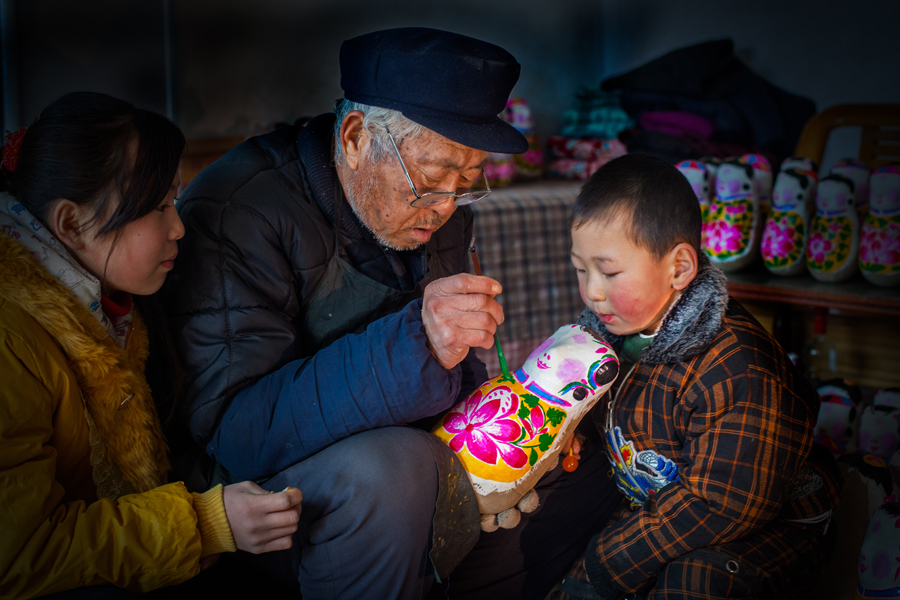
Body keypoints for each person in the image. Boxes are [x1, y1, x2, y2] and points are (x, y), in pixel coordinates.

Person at [161, 27, 620, 599]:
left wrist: (508, 449)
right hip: (262, 499)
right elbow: (235, 434)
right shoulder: (239, 213)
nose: (447, 207)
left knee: (588, 454)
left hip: (406, 462)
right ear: (355, 138)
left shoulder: (442, 209)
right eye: (429, 184)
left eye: (468, 182)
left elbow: (463, 379)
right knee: (395, 469)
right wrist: (418, 342)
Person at [0, 92, 302, 600]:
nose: (178, 226)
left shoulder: (110, 309)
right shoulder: (12, 341)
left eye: (174, 200)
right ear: (71, 224)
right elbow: (20, 554)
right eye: (157, 206)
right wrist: (205, 524)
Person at [553, 154, 841, 599]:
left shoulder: (738, 365)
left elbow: (721, 503)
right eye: (580, 269)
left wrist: (605, 564)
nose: (592, 291)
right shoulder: (614, 338)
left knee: (692, 581)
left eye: (608, 272)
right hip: (661, 505)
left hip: (767, 525)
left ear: (680, 268)